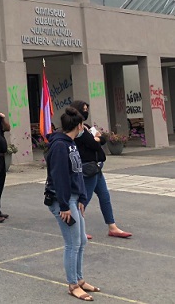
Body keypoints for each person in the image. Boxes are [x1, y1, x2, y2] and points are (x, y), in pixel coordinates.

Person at [46, 106, 101, 301]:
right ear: (79, 126)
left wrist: (82, 199)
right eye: (83, 126)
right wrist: (64, 206)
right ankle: (72, 284)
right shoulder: (60, 146)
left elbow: (76, 174)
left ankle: (79, 279)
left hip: (74, 198)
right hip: (63, 199)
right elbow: (59, 177)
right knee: (72, 243)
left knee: (82, 241)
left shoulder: (70, 143)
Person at [71, 100, 132, 240]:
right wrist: (96, 139)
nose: (86, 112)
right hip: (88, 168)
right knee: (83, 199)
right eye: (84, 109)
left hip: (97, 167)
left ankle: (112, 227)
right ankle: (77, 229)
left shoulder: (85, 126)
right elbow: (92, 143)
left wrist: (97, 138)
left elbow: (102, 139)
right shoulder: (78, 128)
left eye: (87, 109)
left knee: (105, 197)